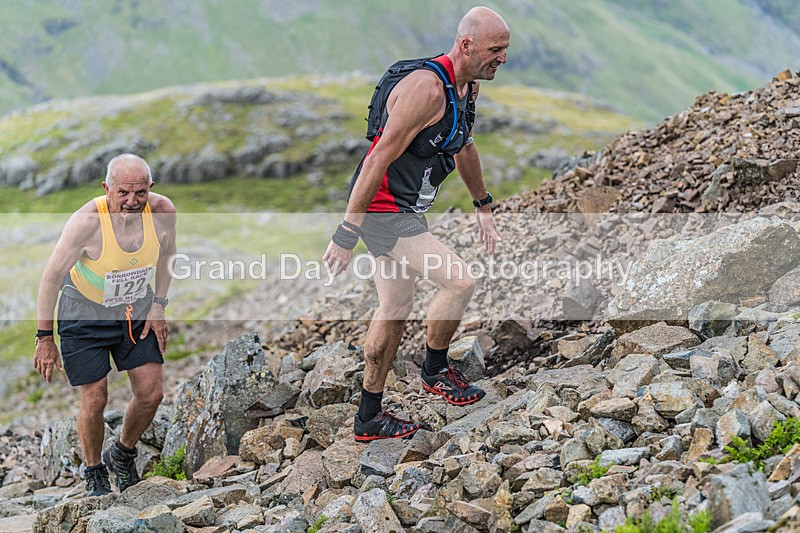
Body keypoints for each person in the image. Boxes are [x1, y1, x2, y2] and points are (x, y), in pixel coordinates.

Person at [323, 6, 509, 441]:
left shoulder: (469, 87)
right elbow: (376, 159)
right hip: (385, 213)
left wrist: (482, 204)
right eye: (495, 49)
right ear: (466, 45)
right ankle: (435, 370)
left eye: (505, 50)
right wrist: (346, 233)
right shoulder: (427, 90)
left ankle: (369, 417)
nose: (503, 58)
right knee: (459, 282)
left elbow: (463, 147)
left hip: (406, 210)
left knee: (395, 307)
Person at [33, 154, 177, 496]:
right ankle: (94, 468)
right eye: (123, 193)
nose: (131, 202)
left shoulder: (162, 212)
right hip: (84, 313)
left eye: (140, 193)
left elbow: (168, 254)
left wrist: (158, 305)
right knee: (95, 398)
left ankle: (122, 454)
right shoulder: (86, 222)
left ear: (150, 189)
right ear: (106, 188)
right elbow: (51, 277)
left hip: (133, 309)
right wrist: (44, 337)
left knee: (151, 393)